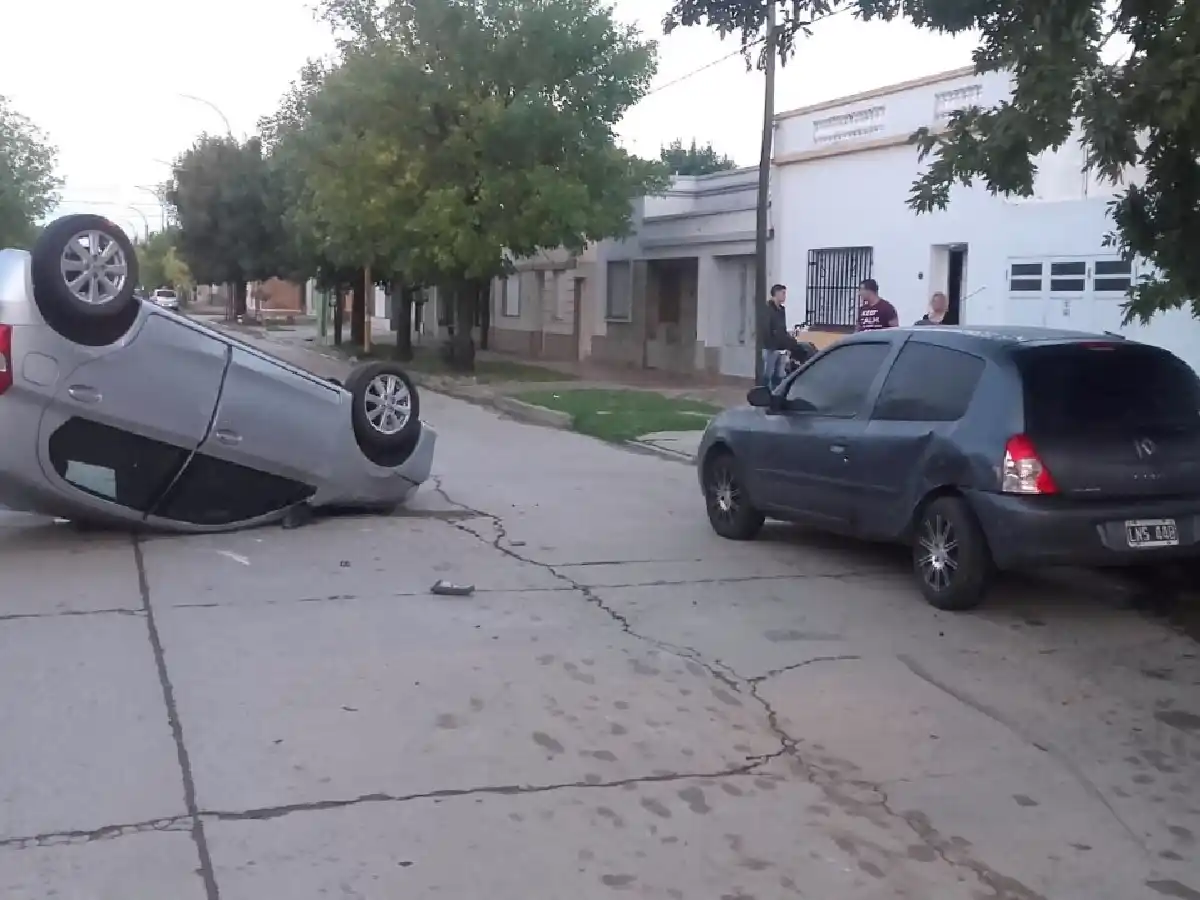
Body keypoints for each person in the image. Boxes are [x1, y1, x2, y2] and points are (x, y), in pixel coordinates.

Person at [762, 283, 802, 390]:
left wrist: (789, 343)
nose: (785, 296)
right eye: (783, 293)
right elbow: (767, 329)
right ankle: (763, 395)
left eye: (785, 293)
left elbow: (782, 329)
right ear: (776, 293)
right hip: (771, 348)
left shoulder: (781, 310)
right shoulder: (768, 309)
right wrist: (772, 346)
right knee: (767, 374)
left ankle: (776, 395)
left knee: (779, 375)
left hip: (782, 348)